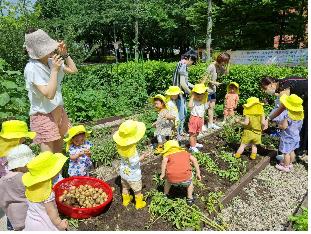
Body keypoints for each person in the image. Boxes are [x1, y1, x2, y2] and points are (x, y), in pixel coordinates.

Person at [24, 28, 78, 153]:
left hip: (58, 112)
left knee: (58, 154)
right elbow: (49, 94)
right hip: (44, 116)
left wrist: (65, 54)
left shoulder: (50, 61)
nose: (50, 49)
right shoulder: (32, 68)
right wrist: (54, 70)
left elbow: (73, 70)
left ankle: (59, 173)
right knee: (48, 158)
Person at [0, 120, 36, 231]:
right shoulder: (17, 153)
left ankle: (11, 225)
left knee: (9, 208)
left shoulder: (3, 148)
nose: (25, 140)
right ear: (17, 139)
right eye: (24, 137)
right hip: (15, 185)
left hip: (5, 187)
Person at [261, 76, 308, 157]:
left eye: (265, 89)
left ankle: (303, 148)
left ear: (271, 85)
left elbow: (282, 107)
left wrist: (268, 119)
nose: (265, 91)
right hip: (305, 95)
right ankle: (300, 147)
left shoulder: (283, 87)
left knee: (306, 123)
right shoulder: (281, 83)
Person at [22, 151, 68, 231]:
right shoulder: (46, 192)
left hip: (31, 221)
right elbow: (51, 211)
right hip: (43, 224)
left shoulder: (32, 186)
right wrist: (59, 224)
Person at [113, 120, 149, 209]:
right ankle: (139, 203)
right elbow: (133, 161)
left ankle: (126, 200)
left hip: (124, 173)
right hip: (133, 175)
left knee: (125, 187)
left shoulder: (121, 147)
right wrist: (142, 157)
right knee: (137, 190)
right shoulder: (132, 150)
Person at [160, 140, 201, 205]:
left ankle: (165, 194)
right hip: (186, 179)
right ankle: (190, 198)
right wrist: (198, 173)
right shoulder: (185, 153)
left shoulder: (168, 155)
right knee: (190, 183)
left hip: (172, 180)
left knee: (167, 181)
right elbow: (194, 160)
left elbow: (164, 162)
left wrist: (162, 174)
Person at [201, 52, 231, 130]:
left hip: (213, 90)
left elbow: (226, 73)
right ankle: (201, 125)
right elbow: (204, 78)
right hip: (207, 90)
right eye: (225, 62)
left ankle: (210, 124)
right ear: (221, 60)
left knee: (211, 107)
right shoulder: (211, 66)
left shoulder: (219, 66)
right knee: (204, 108)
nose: (225, 64)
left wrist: (228, 64)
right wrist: (214, 82)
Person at [274, 94, 304, 172]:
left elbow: (284, 126)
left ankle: (285, 166)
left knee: (285, 153)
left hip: (287, 138)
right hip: (296, 137)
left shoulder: (288, 116)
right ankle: (290, 163)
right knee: (292, 151)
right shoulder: (300, 115)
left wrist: (278, 125)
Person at [172, 52, 197, 139]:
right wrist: (192, 93)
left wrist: (195, 87)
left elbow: (184, 81)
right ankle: (178, 134)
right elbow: (182, 84)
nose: (192, 64)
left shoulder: (180, 63)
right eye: (192, 62)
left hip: (178, 93)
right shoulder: (183, 66)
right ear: (190, 59)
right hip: (179, 94)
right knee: (181, 114)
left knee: (183, 112)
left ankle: (180, 131)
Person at [188, 84, 209, 153]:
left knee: (196, 133)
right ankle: (192, 147)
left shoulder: (203, 102)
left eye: (201, 94)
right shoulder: (194, 101)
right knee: (192, 133)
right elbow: (190, 106)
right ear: (194, 95)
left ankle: (194, 143)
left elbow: (204, 111)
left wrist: (202, 122)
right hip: (194, 119)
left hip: (200, 119)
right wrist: (192, 97)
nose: (199, 97)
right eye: (197, 95)